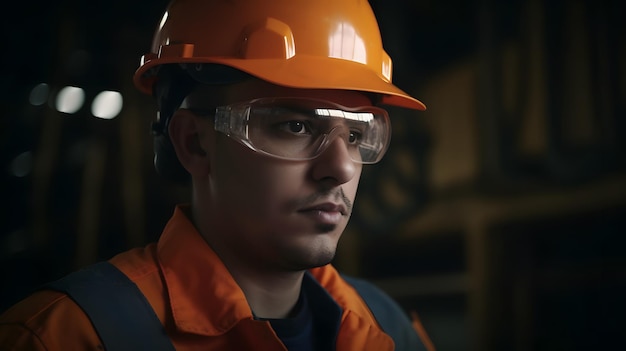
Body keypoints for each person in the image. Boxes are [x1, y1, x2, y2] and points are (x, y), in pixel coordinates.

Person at [0, 0, 434, 350]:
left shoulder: (387, 327)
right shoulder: (64, 337)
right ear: (194, 143)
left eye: (357, 135)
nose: (340, 168)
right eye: (295, 126)